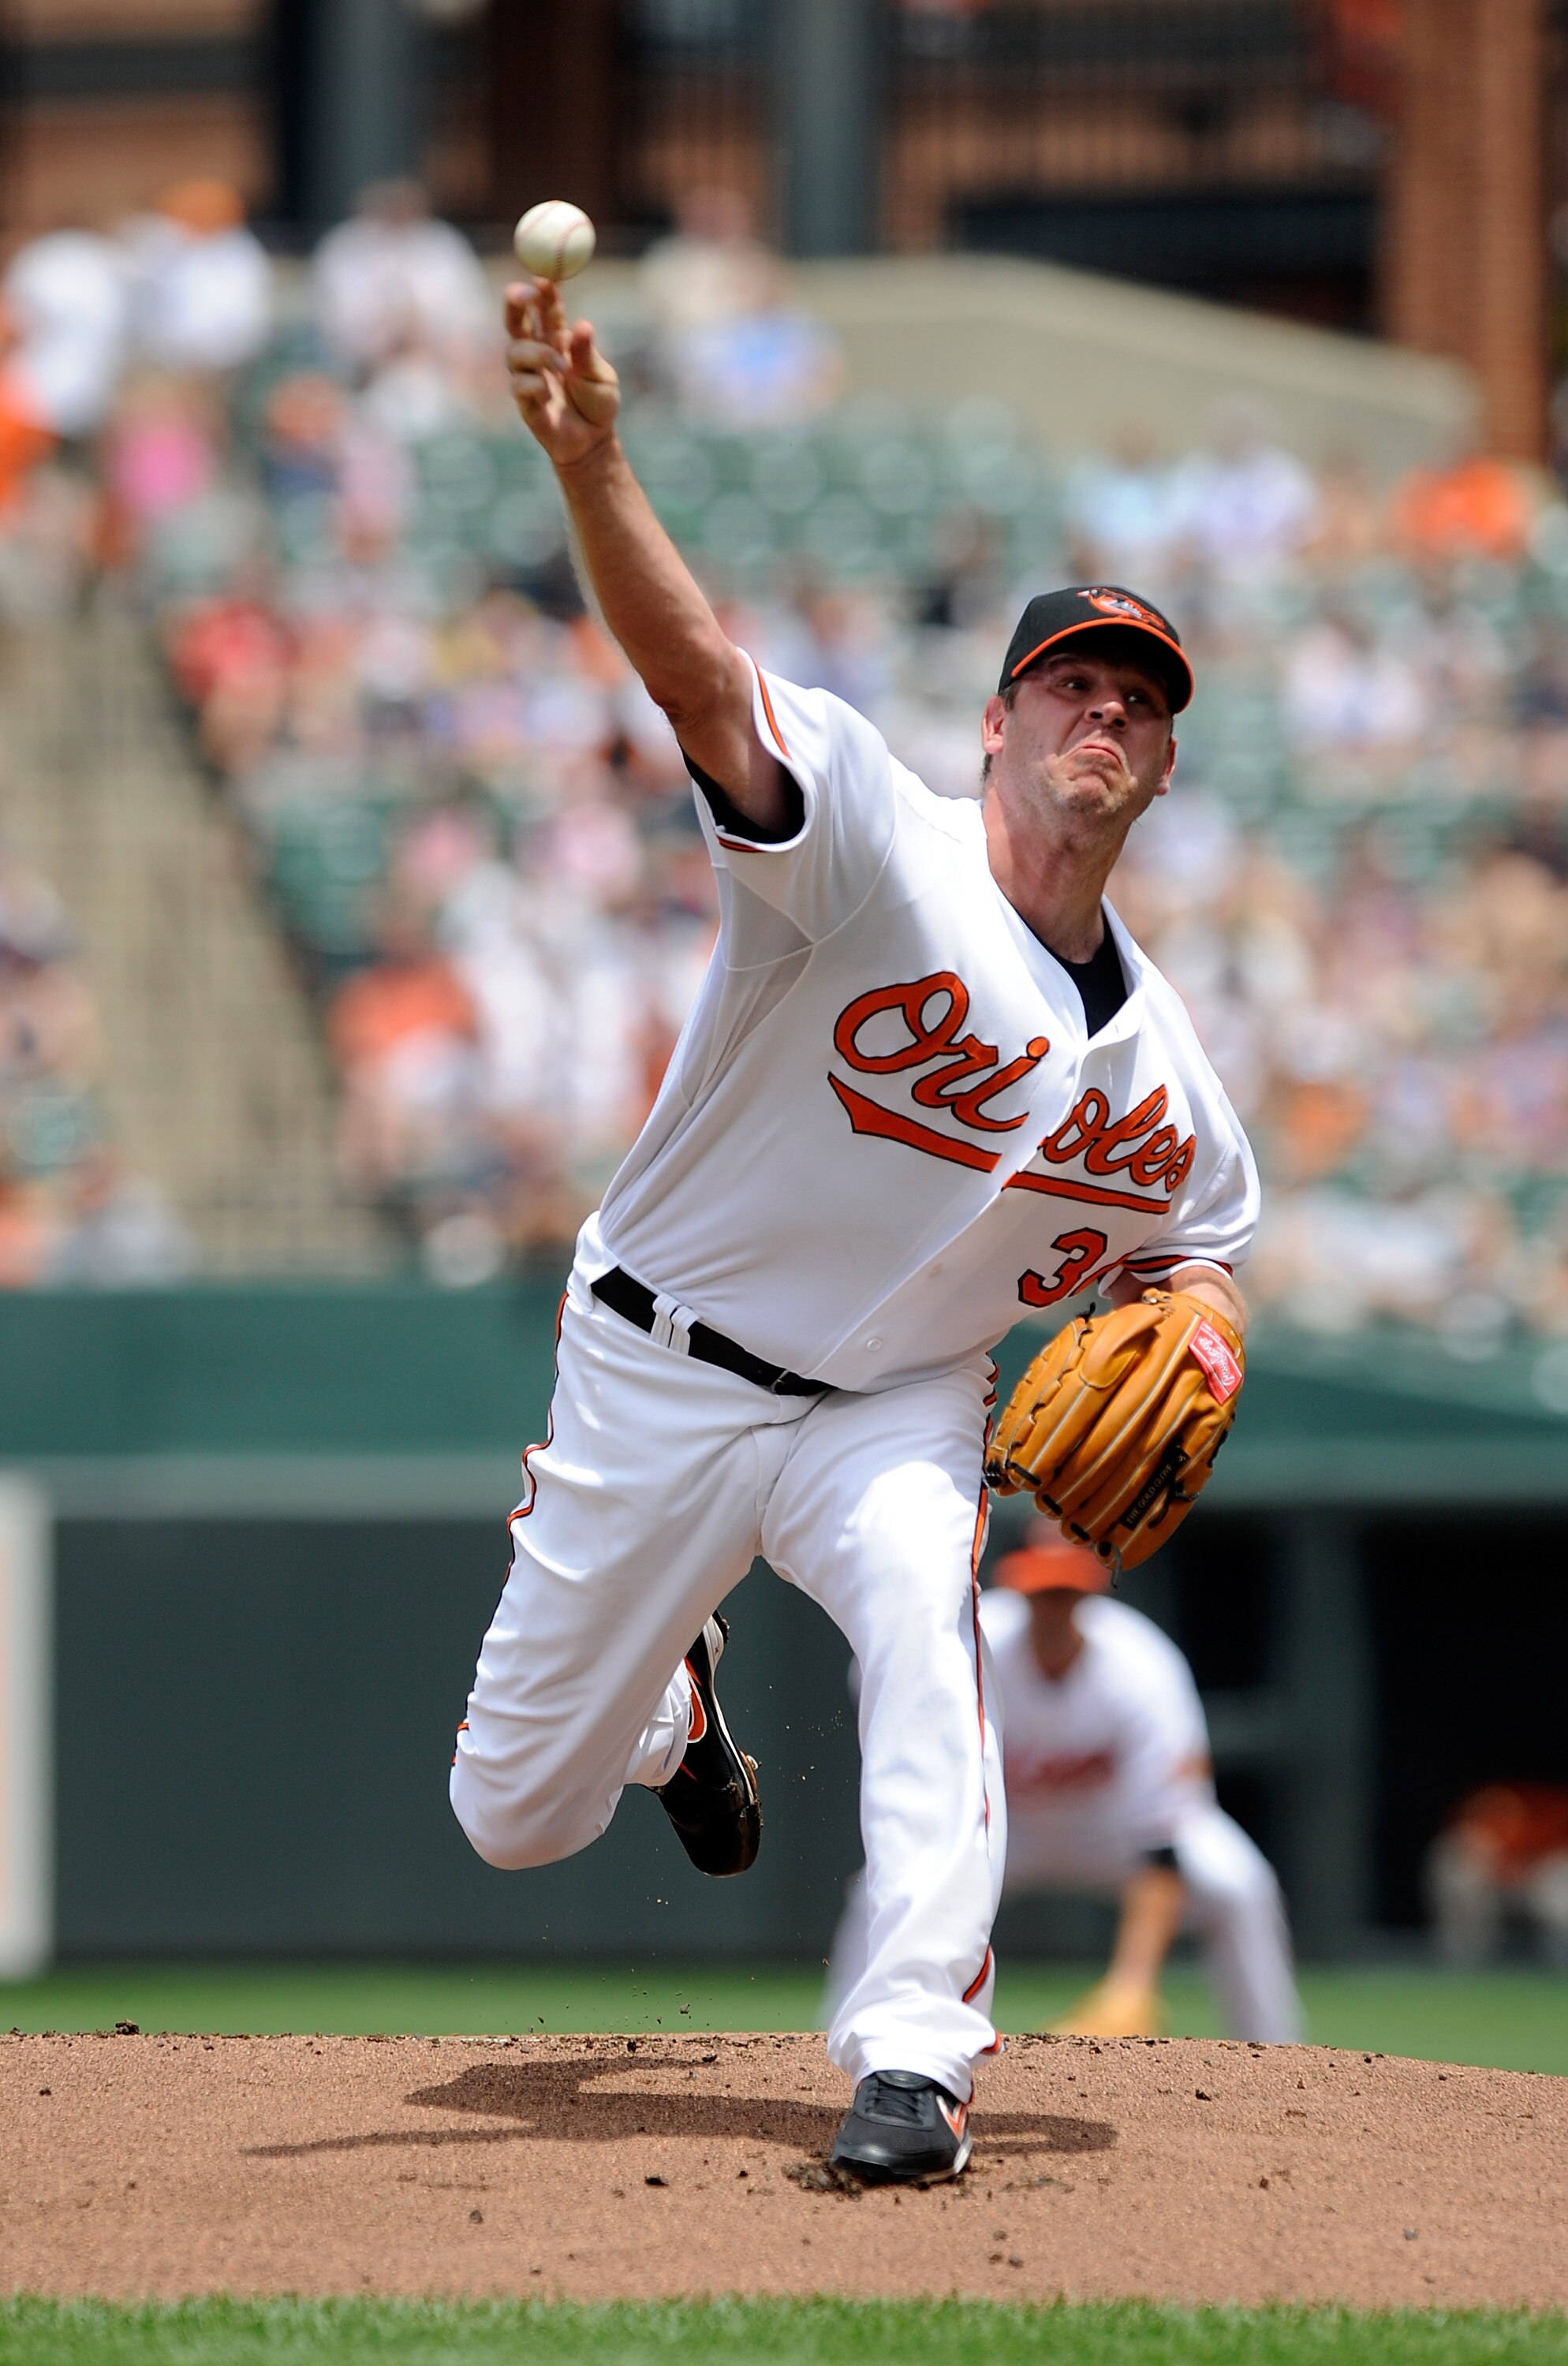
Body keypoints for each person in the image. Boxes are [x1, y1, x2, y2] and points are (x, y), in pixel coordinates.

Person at [449, 271, 1258, 2185]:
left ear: (1159, 767)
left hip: (896, 1404)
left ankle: (916, 2057)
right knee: (514, 1812)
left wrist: (1208, 1327)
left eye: (1140, 702)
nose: (1110, 712)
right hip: (656, 1355)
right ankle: (678, 1706)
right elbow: (698, 678)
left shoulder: (1171, 1083)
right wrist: (597, 470)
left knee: (926, 1619)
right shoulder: (870, 844)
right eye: (1077, 681)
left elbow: (1206, 1245)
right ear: (998, 727)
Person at [828, 1524, 1300, 2043]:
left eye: (1066, 1592)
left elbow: (1162, 1844)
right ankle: (839, 2053)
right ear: (1017, 1589)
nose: (1054, 1607)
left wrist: (1131, 1985)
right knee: (880, 1894)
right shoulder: (966, 1648)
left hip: (1112, 1826)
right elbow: (872, 1680)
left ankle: (1277, 2059)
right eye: (1042, 1592)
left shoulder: (1142, 1665)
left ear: (1089, 1593)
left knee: (1240, 1887)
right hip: (1000, 1826)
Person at [1425, 1782, 1568, 1969]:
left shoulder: (1554, 1814)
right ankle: (1462, 1970)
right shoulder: (1474, 1831)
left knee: (1560, 1892)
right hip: (1490, 1887)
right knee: (1460, 1879)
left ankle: (1560, 1969)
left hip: (1534, 1885)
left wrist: (1526, 1873)